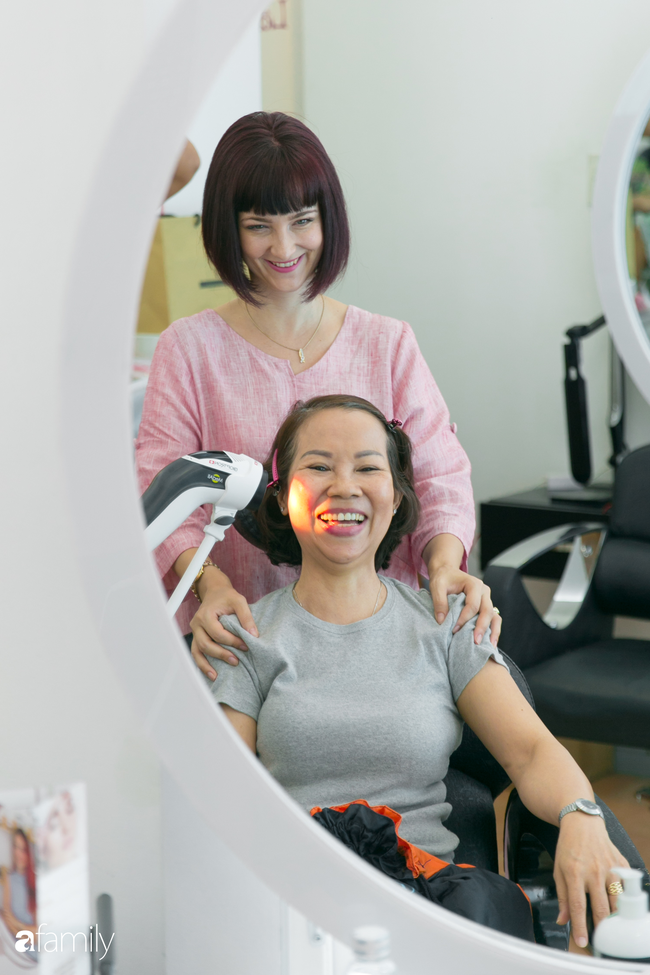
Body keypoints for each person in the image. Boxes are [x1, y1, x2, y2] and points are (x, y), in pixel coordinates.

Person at [206, 394, 630, 948]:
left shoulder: (446, 624)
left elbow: (531, 752)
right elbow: (226, 799)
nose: (345, 486)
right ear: (283, 496)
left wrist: (581, 816)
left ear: (396, 495)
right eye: (319, 466)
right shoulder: (245, 637)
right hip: (300, 904)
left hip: (430, 907)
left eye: (367, 468)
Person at [136, 111, 500, 682]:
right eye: (259, 225)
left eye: (302, 220)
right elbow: (161, 491)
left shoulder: (387, 344)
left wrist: (444, 564)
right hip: (239, 642)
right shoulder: (188, 349)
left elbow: (440, 478)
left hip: (376, 644)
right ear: (229, 229)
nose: (284, 246)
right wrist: (210, 584)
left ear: (328, 219)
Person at [0, 828, 37, 939]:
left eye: (22, 849)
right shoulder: (9, 878)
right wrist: (22, 930)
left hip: (32, 947)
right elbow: (7, 920)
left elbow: (37, 936)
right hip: (12, 943)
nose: (18, 853)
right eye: (15, 847)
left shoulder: (35, 882)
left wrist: (16, 923)